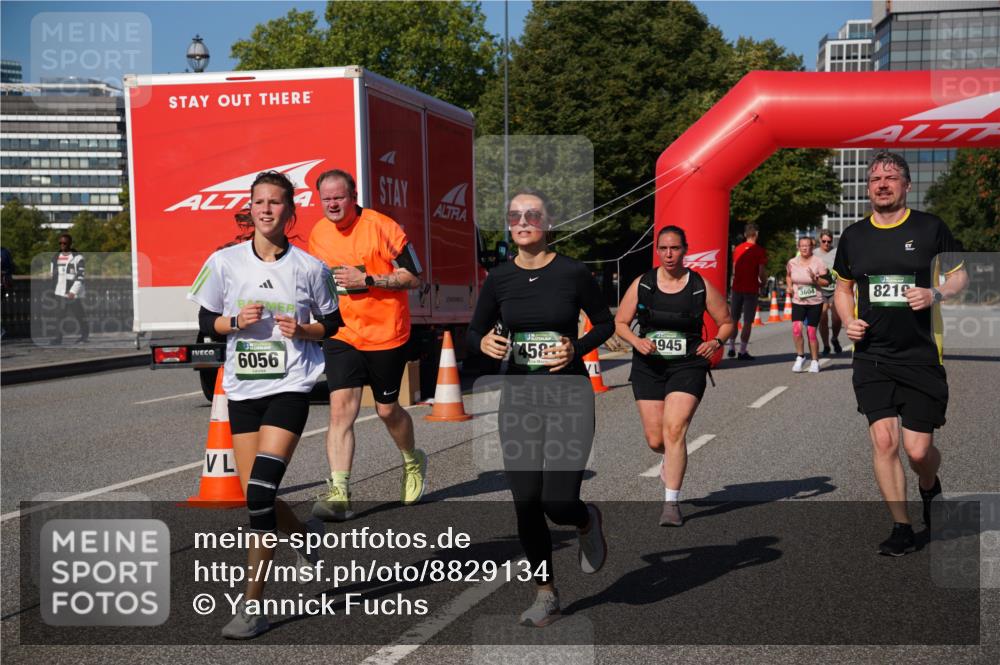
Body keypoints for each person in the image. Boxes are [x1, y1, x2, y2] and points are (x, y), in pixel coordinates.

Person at [188, 171, 342, 638]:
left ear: (290, 212)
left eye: (276, 203)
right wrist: (233, 321)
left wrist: (306, 329)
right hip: (242, 391)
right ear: (249, 208)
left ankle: (251, 607)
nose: (267, 209)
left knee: (257, 497)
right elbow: (205, 321)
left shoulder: (310, 268)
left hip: (290, 387)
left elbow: (332, 324)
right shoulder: (224, 261)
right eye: (259, 202)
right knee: (262, 497)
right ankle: (304, 536)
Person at [468, 189, 613, 627]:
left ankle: (586, 519)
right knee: (526, 501)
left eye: (533, 214)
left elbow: (605, 323)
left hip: (569, 394)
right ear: (509, 225)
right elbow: (474, 330)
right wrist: (482, 341)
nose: (523, 221)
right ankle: (545, 592)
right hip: (519, 397)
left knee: (558, 501)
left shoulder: (573, 273)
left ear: (549, 223)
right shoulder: (499, 279)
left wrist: (577, 346)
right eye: (515, 216)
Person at [833, 151, 967, 556]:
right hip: (872, 355)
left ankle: (930, 487)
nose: (882, 184)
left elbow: (960, 274)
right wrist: (845, 321)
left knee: (918, 450)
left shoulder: (930, 228)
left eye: (891, 177)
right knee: (885, 442)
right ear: (868, 187)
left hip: (921, 356)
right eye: (875, 178)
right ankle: (901, 526)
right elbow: (843, 288)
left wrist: (935, 292)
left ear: (907, 185)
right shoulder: (854, 236)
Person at [307, 169, 426, 521]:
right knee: (341, 410)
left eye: (338, 197)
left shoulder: (383, 227)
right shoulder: (318, 233)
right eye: (326, 198)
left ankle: (412, 460)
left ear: (353, 196)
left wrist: (369, 279)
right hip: (342, 333)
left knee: (387, 410)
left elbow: (414, 277)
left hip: (385, 332)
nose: (332, 204)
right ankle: (339, 492)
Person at [614, 226, 734, 527]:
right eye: (664, 249)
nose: (669, 254)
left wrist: (716, 342)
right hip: (648, 365)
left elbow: (726, 322)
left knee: (675, 429)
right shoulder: (643, 283)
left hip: (688, 364)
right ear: (657, 250)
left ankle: (671, 502)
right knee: (657, 440)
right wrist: (636, 340)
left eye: (675, 248)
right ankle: (669, 457)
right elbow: (621, 322)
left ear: (685, 250)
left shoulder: (698, 285)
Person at [786, 237, 830, 373]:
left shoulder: (819, 262)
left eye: (808, 246)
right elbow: (788, 276)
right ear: (798, 247)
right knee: (796, 329)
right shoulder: (792, 262)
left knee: (811, 332)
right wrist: (789, 287)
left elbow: (827, 282)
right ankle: (800, 356)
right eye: (802, 246)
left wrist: (815, 278)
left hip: (815, 301)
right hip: (798, 301)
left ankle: (815, 360)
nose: (805, 248)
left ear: (812, 247)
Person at [727, 223, 767, 360]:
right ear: (756, 234)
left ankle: (731, 346)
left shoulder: (737, 249)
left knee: (733, 319)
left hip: (737, 288)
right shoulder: (759, 250)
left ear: (745, 235)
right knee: (748, 322)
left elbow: (734, 268)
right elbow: (761, 271)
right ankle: (742, 351)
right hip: (751, 289)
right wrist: (763, 283)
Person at [49, 234, 89, 345]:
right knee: (59, 316)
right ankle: (58, 338)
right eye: (60, 243)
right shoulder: (55, 257)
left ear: (70, 244)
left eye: (64, 243)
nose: (62, 245)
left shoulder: (78, 257)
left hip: (72, 293)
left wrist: (73, 291)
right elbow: (53, 275)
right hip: (59, 292)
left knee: (79, 315)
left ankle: (84, 336)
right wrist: (53, 289)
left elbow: (81, 276)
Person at [814, 229, 842, 355]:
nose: (826, 244)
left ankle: (834, 338)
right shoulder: (814, 254)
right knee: (823, 318)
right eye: (824, 241)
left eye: (829, 241)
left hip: (835, 289)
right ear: (820, 240)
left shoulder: (836, 252)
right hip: (820, 290)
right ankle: (826, 346)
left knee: (837, 318)